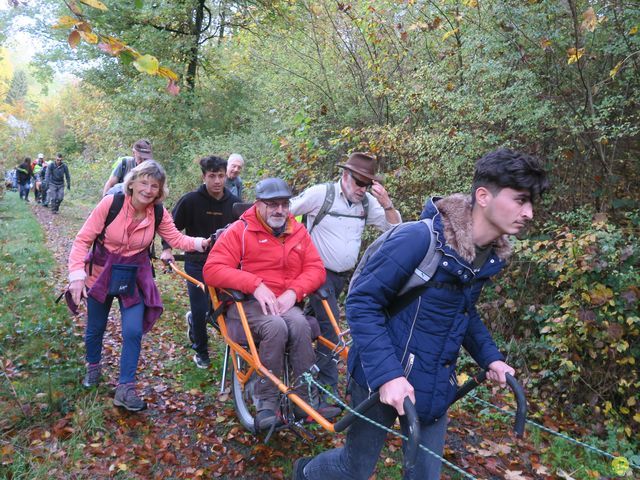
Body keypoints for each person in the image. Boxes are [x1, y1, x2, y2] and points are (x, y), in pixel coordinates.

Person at [292, 148, 549, 480]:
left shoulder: (485, 258)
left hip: (433, 382)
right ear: (483, 196)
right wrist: (388, 376)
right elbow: (361, 302)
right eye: (520, 200)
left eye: (532, 203)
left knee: (425, 475)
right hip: (378, 376)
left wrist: (491, 358)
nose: (528, 212)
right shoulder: (419, 239)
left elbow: (464, 313)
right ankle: (305, 472)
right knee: (354, 468)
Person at [68, 160, 212, 411]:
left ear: (160, 190)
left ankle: (126, 388)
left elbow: (175, 238)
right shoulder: (110, 204)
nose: (148, 189)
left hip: (134, 275)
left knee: (133, 330)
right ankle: (93, 366)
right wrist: (76, 275)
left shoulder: (157, 212)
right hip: (101, 272)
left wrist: (202, 243)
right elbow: (83, 240)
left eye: (154, 185)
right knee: (96, 327)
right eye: (143, 182)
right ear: (132, 183)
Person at [203, 178, 340, 430]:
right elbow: (212, 270)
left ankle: (306, 400)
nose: (279, 210)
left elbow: (316, 269)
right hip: (246, 305)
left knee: (300, 323)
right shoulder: (240, 231)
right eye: (272, 204)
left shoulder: (297, 232)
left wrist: (293, 291)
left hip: (284, 302)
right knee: (275, 327)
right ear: (258, 205)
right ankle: (267, 404)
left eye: (284, 204)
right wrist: (254, 284)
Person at [289, 152, 401, 405]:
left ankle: (301, 369)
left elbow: (396, 230)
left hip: (345, 278)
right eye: (359, 182)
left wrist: (387, 204)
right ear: (345, 176)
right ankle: (326, 391)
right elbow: (284, 212)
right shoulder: (321, 194)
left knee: (311, 325)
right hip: (316, 273)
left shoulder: (368, 203)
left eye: (368, 184)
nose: (363, 189)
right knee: (331, 328)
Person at [160, 155, 240, 369]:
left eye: (221, 176)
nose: (217, 181)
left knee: (223, 308)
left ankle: (207, 330)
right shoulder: (190, 200)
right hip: (196, 262)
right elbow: (171, 228)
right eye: (212, 176)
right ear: (204, 177)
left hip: (224, 265)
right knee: (199, 307)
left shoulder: (234, 204)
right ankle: (201, 351)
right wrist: (167, 249)